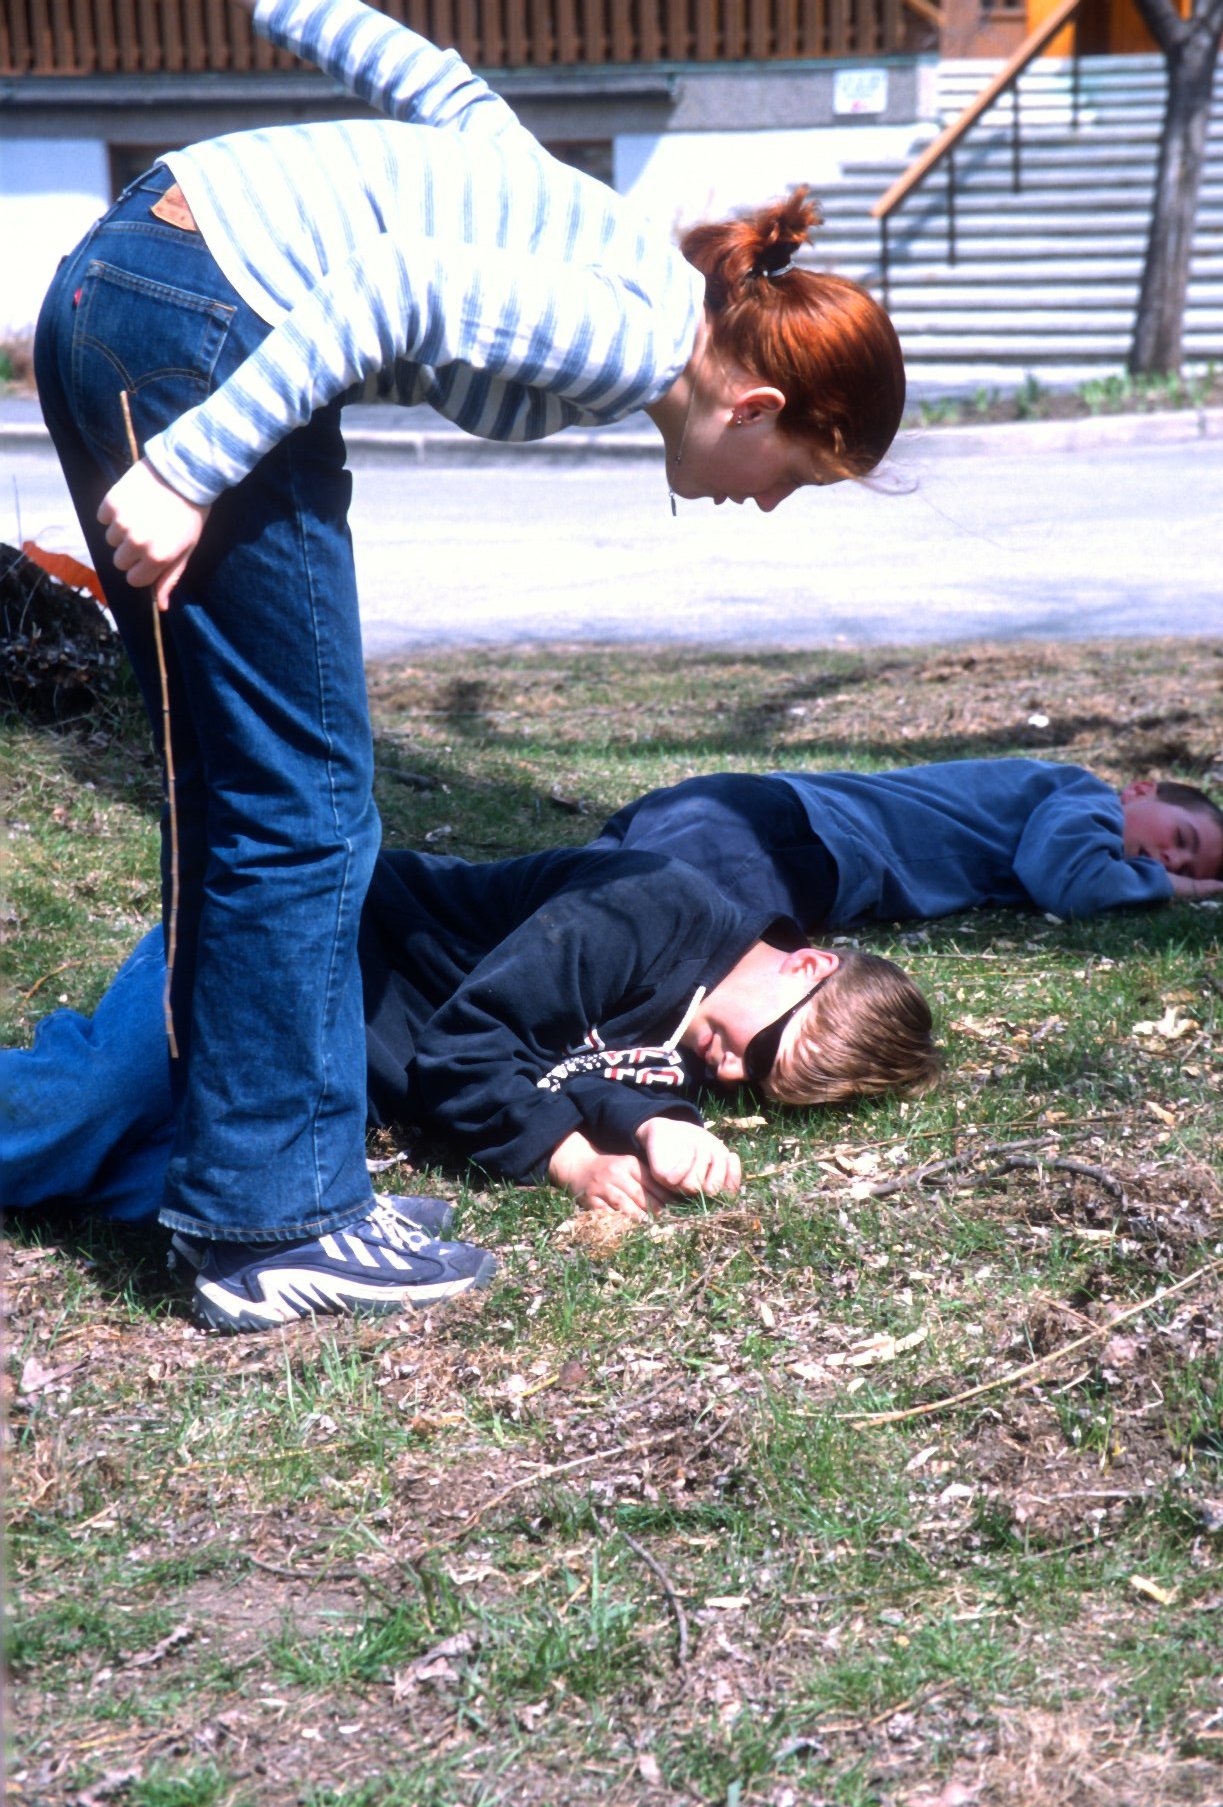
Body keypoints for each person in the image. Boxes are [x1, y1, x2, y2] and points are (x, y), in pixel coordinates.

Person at [32, 0, 906, 1328]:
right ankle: (278, 1226)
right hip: (198, 324)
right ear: (757, 406)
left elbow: (442, 91)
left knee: (244, 787)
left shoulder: (616, 253)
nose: (767, 503)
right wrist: (192, 469)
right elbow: (397, 288)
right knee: (304, 804)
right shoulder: (633, 340)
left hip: (149, 285)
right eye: (793, 477)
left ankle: (271, 1188)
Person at [2, 847, 938, 1330]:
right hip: (290, 946)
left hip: (339, 1059)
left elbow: (600, 1070)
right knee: (93, 1102)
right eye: (762, 1050)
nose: (731, 1071)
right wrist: (573, 1160)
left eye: (757, 1086)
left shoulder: (706, 1020)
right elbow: (467, 1045)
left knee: (189, 1183)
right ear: (804, 963)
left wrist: (659, 1124)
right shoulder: (647, 909)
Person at [588, 760, 1223, 931]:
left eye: (1187, 862)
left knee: (575, 894)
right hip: (792, 837)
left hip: (741, 810)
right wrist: (1186, 887)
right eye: (1182, 838)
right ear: (1140, 789)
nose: (1172, 858)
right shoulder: (1086, 797)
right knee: (650, 929)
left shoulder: (1059, 803)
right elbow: (1074, 882)